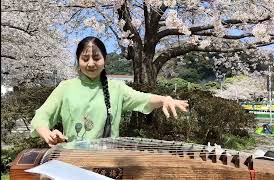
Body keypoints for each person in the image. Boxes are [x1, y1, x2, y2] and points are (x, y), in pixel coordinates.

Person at [30, 36, 189, 147]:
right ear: (78, 61)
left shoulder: (116, 88)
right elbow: (41, 116)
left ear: (105, 60)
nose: (91, 63)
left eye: (96, 58)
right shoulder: (65, 87)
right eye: (85, 59)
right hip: (74, 161)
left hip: (109, 163)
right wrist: (47, 134)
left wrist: (164, 99)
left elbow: (142, 99)